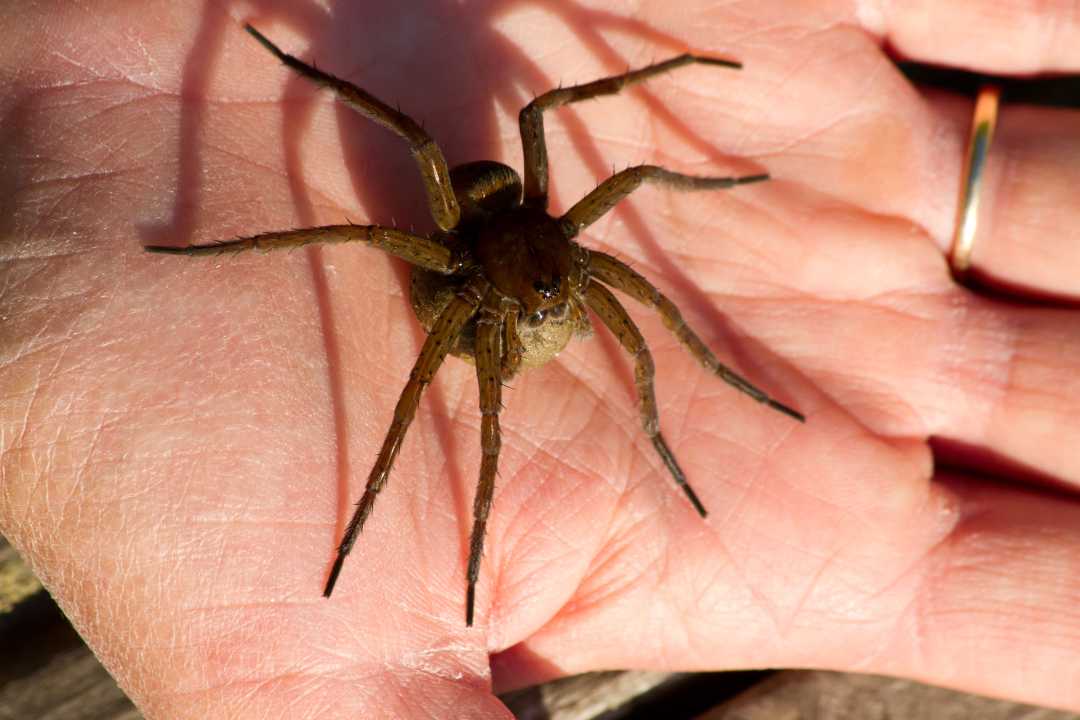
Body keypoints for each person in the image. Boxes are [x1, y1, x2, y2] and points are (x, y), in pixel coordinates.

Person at [1, 1, 1077, 717]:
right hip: (465, 267)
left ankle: (701, 403)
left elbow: (597, 169)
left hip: (518, 241)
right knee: (446, 277)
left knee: (642, 308)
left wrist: (691, 384)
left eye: (568, 271)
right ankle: (256, 237)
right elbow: (399, 197)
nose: (567, 290)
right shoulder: (464, 277)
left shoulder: (577, 254)